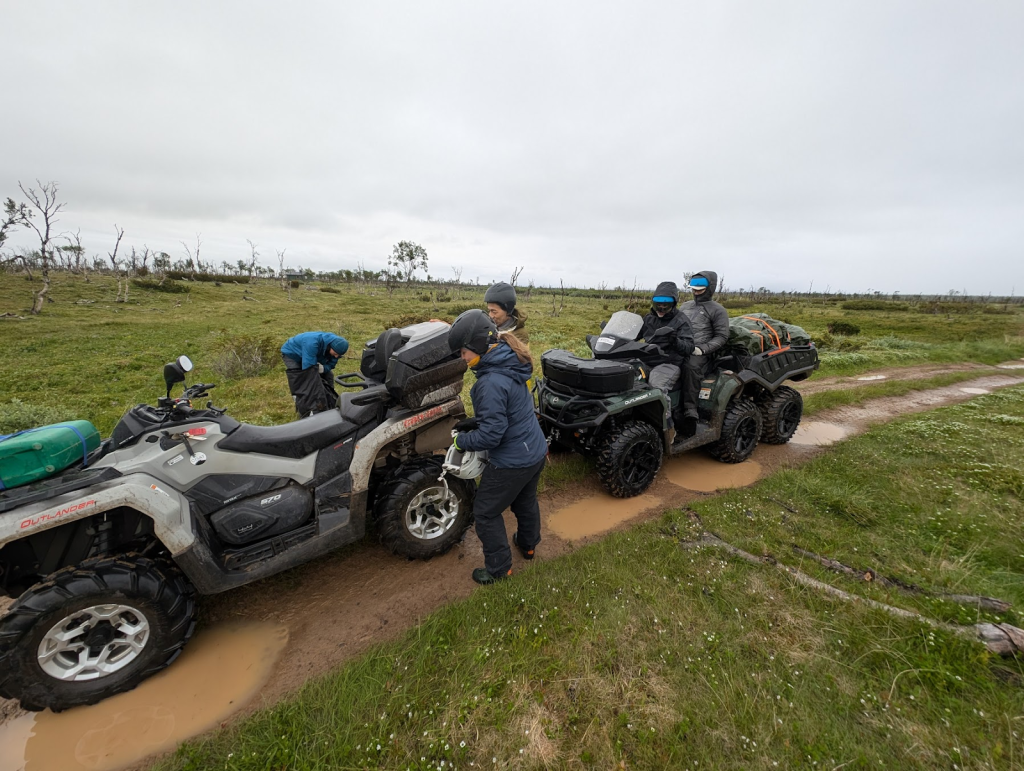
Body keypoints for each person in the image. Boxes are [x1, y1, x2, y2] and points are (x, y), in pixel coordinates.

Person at [448, 309, 547, 585]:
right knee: (525, 501)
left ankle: (499, 569)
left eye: (464, 352)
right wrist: (475, 421)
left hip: (512, 462)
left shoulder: (489, 382)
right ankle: (528, 545)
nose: (462, 358)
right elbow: (507, 410)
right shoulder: (509, 359)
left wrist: (460, 441)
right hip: (535, 451)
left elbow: (491, 437)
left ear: (479, 346)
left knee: (485, 511)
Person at [678, 271, 730, 434]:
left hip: (703, 354)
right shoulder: (685, 306)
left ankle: (690, 410)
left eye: (700, 288)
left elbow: (722, 336)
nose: (696, 291)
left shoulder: (718, 310)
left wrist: (702, 349)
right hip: (681, 347)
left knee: (690, 367)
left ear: (710, 287)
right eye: (694, 288)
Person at [639, 281, 695, 402]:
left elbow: (690, 347)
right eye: (658, 305)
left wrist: (675, 341)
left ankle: (665, 418)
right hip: (647, 359)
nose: (661, 309)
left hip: (669, 362)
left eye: (666, 306)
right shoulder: (649, 318)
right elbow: (633, 334)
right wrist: (616, 335)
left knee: (655, 388)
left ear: (674, 304)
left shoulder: (681, 320)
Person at [280, 332, 349, 417]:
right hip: (292, 355)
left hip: (311, 355)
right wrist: (315, 370)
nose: (336, 356)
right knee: (303, 381)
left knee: (328, 376)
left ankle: (329, 400)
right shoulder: (312, 343)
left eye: (339, 355)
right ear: (330, 347)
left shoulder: (337, 347)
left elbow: (331, 364)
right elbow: (308, 370)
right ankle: (305, 408)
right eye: (335, 354)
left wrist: (323, 369)